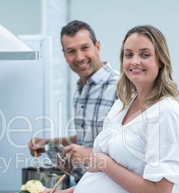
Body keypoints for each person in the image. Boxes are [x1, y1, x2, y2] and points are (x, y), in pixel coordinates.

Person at [37, 25, 179, 193]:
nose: (134, 61)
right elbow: (108, 177)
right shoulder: (123, 104)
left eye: (144, 54)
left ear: (160, 60)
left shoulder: (166, 112)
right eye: (128, 54)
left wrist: (104, 162)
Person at [28, 20, 119, 182]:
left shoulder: (121, 88)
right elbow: (89, 136)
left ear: (97, 47)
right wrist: (49, 143)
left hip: (111, 191)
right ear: (64, 55)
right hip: (83, 187)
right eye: (71, 51)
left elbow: (129, 148)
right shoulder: (80, 90)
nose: (79, 57)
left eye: (85, 48)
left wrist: (88, 155)